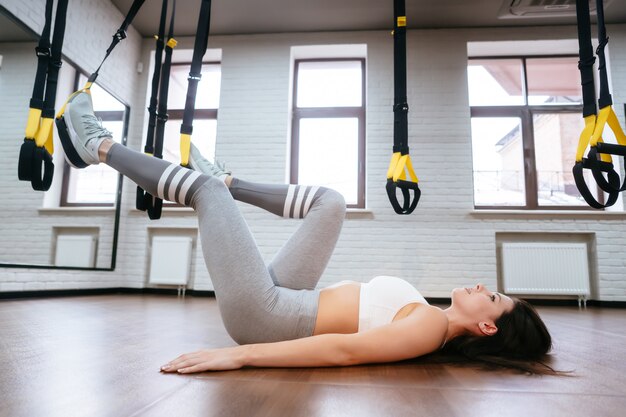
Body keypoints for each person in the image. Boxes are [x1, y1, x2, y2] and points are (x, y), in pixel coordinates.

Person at [59, 91, 555, 375]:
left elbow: (344, 351)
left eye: (489, 296)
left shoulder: (430, 328)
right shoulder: (429, 319)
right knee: (330, 202)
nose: (477, 285)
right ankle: (232, 182)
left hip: (269, 315)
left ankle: (96, 147)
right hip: (290, 299)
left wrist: (241, 356)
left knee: (205, 192)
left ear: (487, 327)